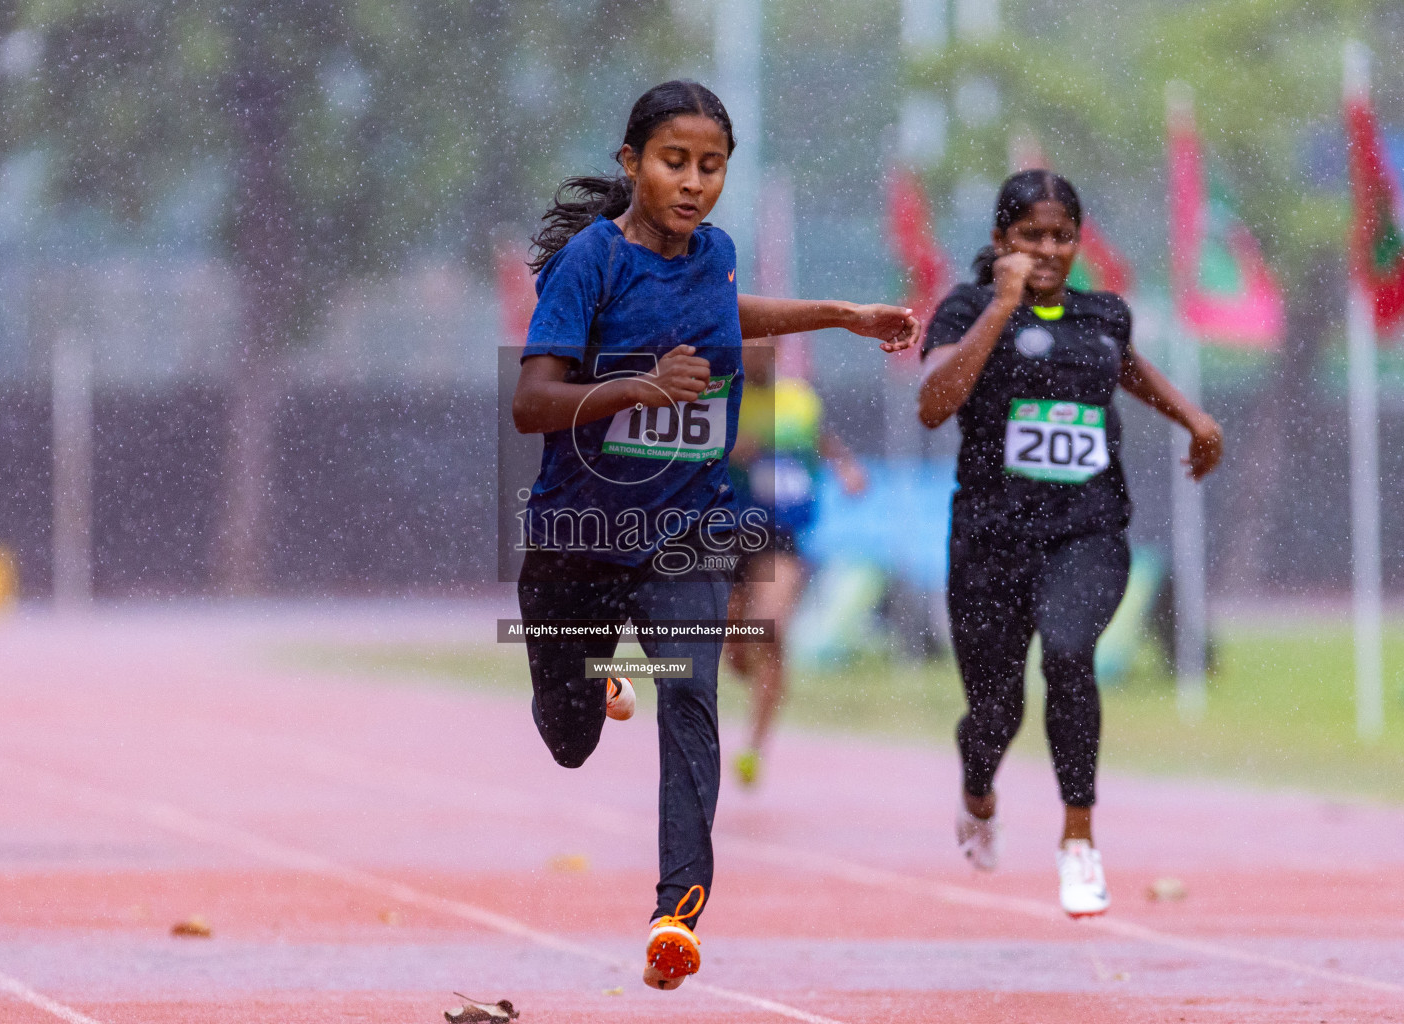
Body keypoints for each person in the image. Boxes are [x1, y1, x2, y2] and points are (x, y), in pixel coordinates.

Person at [514, 80, 918, 989]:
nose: (694, 183)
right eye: (674, 162)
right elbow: (531, 403)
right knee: (570, 735)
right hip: (576, 537)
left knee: (692, 692)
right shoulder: (590, 264)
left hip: (686, 529)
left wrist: (842, 315)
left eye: (711, 166)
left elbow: (724, 315)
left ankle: (677, 912)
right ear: (631, 164)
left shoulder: (717, 255)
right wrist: (637, 389)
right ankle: (598, 671)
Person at [916, 170, 1222, 918]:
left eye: (1061, 236)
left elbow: (1123, 366)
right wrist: (1003, 305)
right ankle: (978, 786)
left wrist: (1195, 418)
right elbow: (933, 402)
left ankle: (1078, 840)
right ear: (1002, 241)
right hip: (990, 540)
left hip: (1085, 531)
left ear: (1078, 241)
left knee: (1067, 652)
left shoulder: (1102, 314)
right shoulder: (965, 308)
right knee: (994, 712)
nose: (1048, 250)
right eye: (1031, 236)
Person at [724, 348, 867, 787]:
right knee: (737, 649)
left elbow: (818, 436)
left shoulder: (799, 398)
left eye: (769, 345)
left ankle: (754, 746)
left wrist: (845, 466)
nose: (760, 355)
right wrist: (729, 450)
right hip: (728, 529)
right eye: (751, 343)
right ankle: (741, 654)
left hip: (783, 532)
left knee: (770, 627)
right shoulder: (724, 397)